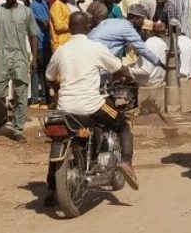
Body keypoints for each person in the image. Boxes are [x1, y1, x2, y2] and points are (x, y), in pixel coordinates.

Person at [44, 12, 138, 205]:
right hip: (92, 105)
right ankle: (127, 162)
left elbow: (49, 77)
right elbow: (118, 67)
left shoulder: (61, 50)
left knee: (59, 138)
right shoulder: (95, 48)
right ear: (88, 26)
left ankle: (52, 189)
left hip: (65, 108)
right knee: (123, 124)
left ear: (69, 27)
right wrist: (127, 76)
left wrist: (58, 91)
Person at [0, 0, 41, 143]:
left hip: (20, 57)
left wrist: (34, 58)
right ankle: (0, 119)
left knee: (21, 94)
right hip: (1, 56)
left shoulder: (26, 12)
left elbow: (34, 35)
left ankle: (17, 129)